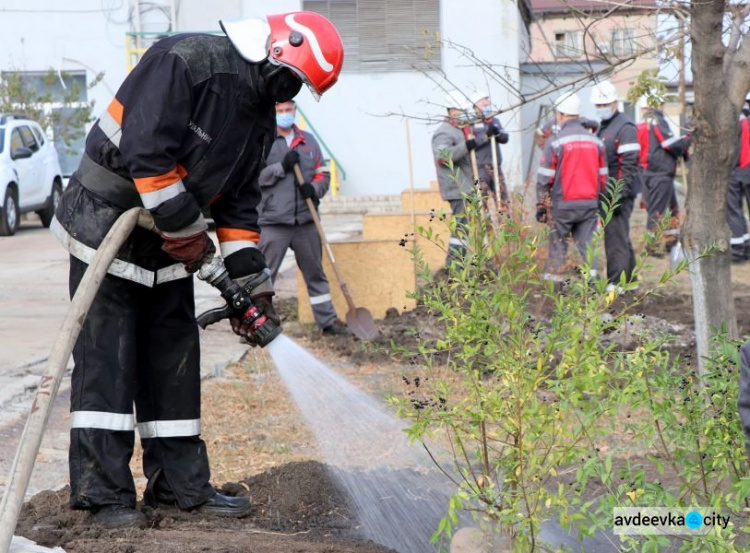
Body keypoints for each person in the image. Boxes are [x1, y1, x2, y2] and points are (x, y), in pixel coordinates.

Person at [50, 12, 344, 528]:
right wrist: (188, 234)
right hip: (107, 224)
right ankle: (104, 498)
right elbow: (146, 152)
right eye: (292, 81)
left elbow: (238, 208)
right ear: (276, 51)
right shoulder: (186, 61)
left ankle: (180, 488)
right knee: (109, 361)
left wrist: (253, 288)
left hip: (166, 243)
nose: (290, 96)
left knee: (174, 362)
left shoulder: (257, 117)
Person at [257, 100, 350, 335]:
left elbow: (323, 174)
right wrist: (281, 167)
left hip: (306, 221)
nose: (285, 114)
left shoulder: (308, 141)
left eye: (288, 110)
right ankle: (256, 324)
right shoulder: (263, 140)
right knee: (264, 276)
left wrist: (314, 189)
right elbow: (255, 177)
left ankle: (327, 322)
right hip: (273, 221)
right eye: (279, 111)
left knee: (315, 274)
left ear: (295, 111)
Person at [536, 91, 607, 283]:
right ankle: (592, 286)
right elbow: (603, 178)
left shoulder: (556, 142)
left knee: (558, 246)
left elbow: (544, 179)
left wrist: (541, 206)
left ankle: (553, 289)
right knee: (588, 246)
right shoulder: (596, 142)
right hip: (589, 204)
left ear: (560, 115)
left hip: (562, 205)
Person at [590, 80, 642, 291]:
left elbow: (629, 164)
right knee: (620, 235)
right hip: (609, 191)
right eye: (598, 105)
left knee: (615, 237)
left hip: (619, 192)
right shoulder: (605, 127)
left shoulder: (625, 127)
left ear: (614, 103)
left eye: (604, 105)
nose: (601, 109)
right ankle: (629, 281)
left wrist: (619, 194)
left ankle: (615, 283)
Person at [637, 91, 691, 256]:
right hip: (658, 173)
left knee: (672, 209)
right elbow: (669, 144)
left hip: (651, 172)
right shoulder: (656, 120)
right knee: (658, 211)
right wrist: (688, 139)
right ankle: (651, 247)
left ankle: (672, 242)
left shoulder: (642, 122)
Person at [432, 90, 478, 267]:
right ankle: (454, 265)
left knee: (466, 227)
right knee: (461, 227)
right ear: (451, 111)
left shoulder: (460, 130)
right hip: (457, 188)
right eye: (461, 111)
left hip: (466, 186)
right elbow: (443, 156)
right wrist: (466, 146)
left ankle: (464, 263)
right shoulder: (444, 133)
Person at [469, 91, 509, 207]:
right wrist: (485, 135)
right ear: (476, 106)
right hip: (480, 166)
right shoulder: (471, 124)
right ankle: (486, 225)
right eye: (483, 104)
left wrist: (497, 132)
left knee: (502, 199)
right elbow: (472, 143)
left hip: (495, 165)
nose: (486, 105)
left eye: (487, 103)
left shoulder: (494, 121)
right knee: (482, 202)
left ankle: (505, 223)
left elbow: (505, 138)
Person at [727, 94, 750, 263]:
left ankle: (737, 251)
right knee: (740, 212)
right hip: (746, 170)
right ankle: (746, 245)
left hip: (736, 171)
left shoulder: (735, 122)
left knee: (734, 211)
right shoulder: (746, 122)